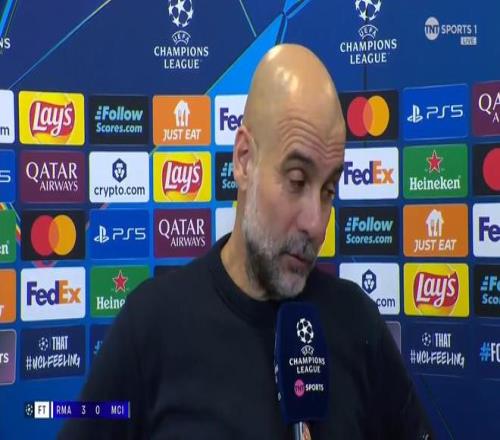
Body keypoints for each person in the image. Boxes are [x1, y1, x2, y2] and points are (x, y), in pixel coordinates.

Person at [59, 44, 433, 439]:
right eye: (297, 180)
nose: (315, 222)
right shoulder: (149, 325)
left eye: (328, 190)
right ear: (243, 160)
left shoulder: (358, 324)